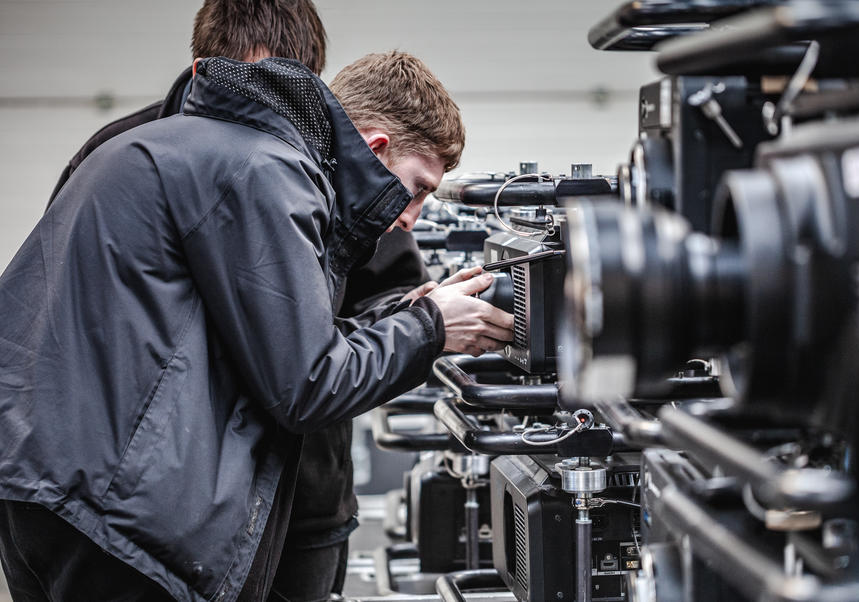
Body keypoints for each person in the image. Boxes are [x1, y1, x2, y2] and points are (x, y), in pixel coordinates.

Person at [0, 41, 513, 602]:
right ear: (376, 146)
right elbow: (306, 386)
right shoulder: (267, 173)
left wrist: (411, 314)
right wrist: (432, 329)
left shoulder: (211, 148)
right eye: (416, 190)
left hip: (52, 484)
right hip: (109, 511)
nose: (410, 219)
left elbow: (271, 345)